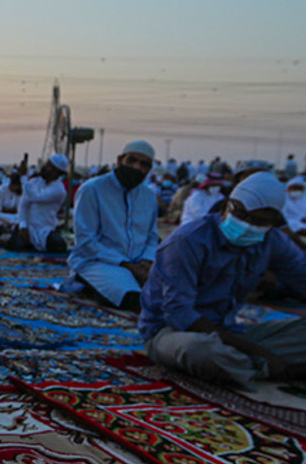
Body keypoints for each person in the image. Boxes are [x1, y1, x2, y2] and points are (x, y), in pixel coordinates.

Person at [140, 172, 306, 387]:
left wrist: (247, 347)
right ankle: (279, 370)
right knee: (200, 351)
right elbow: (179, 314)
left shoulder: (270, 240)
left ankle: (251, 365)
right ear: (227, 205)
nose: (247, 224)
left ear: (272, 222)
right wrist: (257, 352)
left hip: (226, 331)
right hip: (172, 333)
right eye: (241, 214)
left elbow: (302, 274)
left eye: (258, 221)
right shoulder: (187, 241)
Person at [68, 141, 160, 311]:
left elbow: (152, 237)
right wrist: (127, 265)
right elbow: (86, 242)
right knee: (136, 301)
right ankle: (86, 283)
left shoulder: (149, 196)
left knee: (175, 293)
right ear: (119, 160)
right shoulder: (92, 189)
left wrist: (147, 261)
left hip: (139, 264)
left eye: (144, 164)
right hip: (98, 262)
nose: (136, 167)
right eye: (131, 160)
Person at [6, 154, 69, 253]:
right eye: (46, 165)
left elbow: (35, 197)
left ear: (57, 172)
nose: (44, 168)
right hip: (27, 228)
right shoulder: (34, 182)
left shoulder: (59, 190)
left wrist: (23, 176)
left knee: (58, 245)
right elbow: (23, 205)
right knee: (14, 246)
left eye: (49, 167)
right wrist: (23, 226)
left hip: (44, 230)